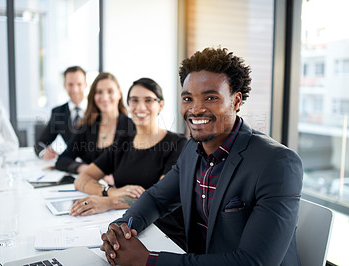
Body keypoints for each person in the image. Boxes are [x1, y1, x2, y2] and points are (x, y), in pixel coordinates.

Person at [100, 47, 304, 266]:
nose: (196, 109)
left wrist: (149, 261)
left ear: (236, 101)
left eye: (210, 98)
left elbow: (254, 261)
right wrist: (121, 228)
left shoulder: (277, 163)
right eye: (188, 98)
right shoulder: (193, 149)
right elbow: (156, 199)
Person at [69, 78, 187, 248]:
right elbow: (82, 179)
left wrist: (108, 203)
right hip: (125, 225)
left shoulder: (177, 144)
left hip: (163, 232)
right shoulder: (123, 143)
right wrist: (109, 192)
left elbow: (162, 197)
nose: (140, 107)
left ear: (160, 105)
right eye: (134, 100)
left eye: (148, 100)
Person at [55, 72, 135, 175]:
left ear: (119, 94)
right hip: (89, 187)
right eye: (99, 92)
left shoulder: (132, 127)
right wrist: (86, 169)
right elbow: (62, 160)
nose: (105, 97)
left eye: (110, 91)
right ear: (93, 96)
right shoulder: (86, 127)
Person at [34, 66, 87, 160]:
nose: (75, 90)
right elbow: (40, 143)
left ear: (85, 85)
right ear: (64, 85)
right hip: (68, 164)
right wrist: (44, 153)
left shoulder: (97, 110)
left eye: (79, 84)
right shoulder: (58, 113)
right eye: (70, 84)